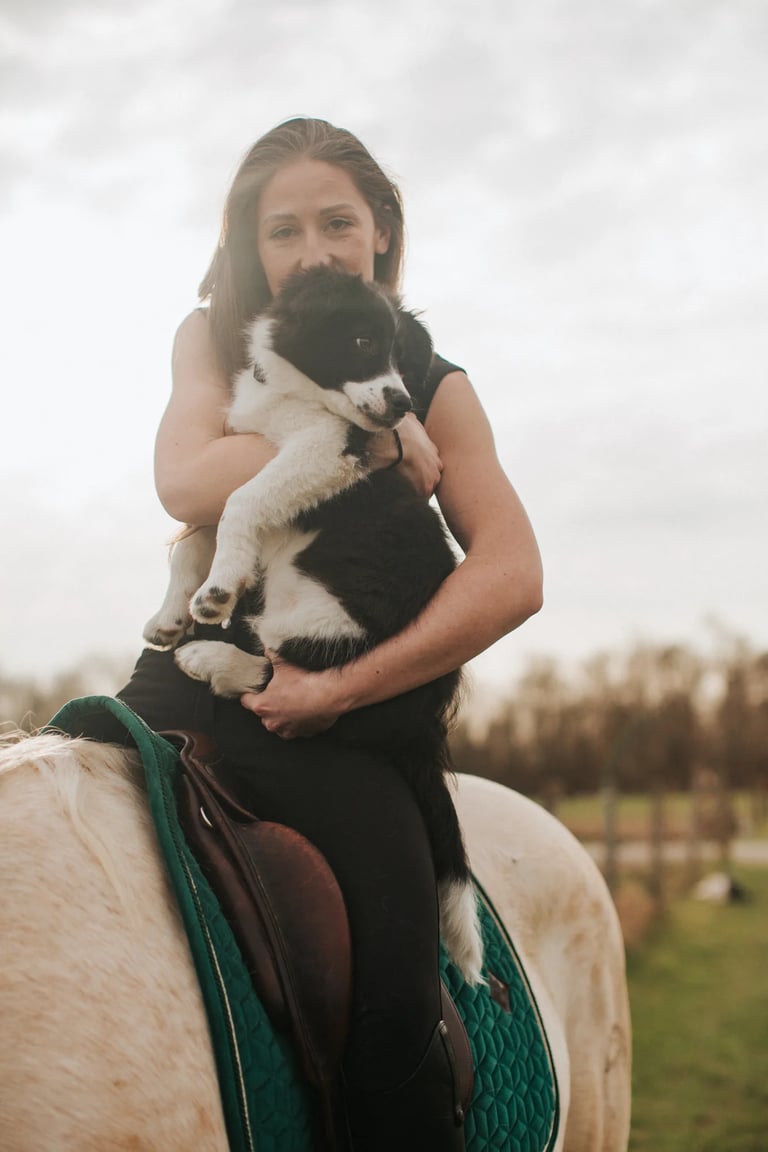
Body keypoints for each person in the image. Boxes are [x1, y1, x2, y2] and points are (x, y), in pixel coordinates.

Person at [117, 117, 543, 1151]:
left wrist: (345, 691)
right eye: (282, 231)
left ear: (382, 235)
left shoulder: (434, 379)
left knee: (394, 1010)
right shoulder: (210, 339)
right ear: (248, 247)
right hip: (185, 681)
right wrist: (364, 435)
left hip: (339, 715)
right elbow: (184, 478)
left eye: (337, 224)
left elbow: (512, 573)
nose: (311, 252)